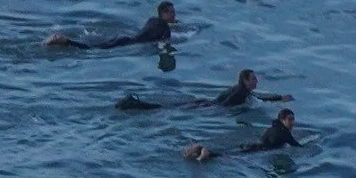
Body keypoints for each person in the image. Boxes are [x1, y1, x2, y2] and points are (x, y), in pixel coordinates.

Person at [117, 69, 291, 112]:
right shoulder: (241, 92)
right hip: (206, 107)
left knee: (165, 108)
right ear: (245, 80)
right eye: (253, 78)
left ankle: (136, 104)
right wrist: (279, 98)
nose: (257, 81)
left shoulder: (239, 89)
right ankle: (136, 105)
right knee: (165, 110)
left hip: (204, 102)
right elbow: (224, 106)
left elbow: (258, 97)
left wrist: (278, 97)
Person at [183, 107, 301, 161]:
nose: (292, 122)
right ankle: (206, 152)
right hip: (257, 150)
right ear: (282, 120)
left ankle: (200, 150)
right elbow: (297, 146)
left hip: (252, 145)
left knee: (228, 153)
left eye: (293, 119)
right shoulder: (285, 133)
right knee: (227, 157)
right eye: (290, 119)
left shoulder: (271, 128)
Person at [47, 1, 176, 50]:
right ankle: (65, 41)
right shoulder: (165, 28)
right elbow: (163, 43)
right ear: (164, 13)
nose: (174, 15)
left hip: (125, 37)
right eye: (172, 13)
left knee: (97, 45)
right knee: (93, 49)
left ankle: (65, 41)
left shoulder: (153, 20)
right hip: (128, 43)